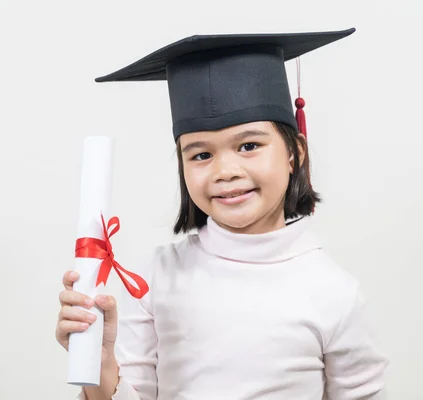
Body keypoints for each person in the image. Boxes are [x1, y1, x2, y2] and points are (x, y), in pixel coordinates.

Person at [56, 27, 388, 400]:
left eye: (248, 145)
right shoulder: (157, 277)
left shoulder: (334, 293)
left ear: (295, 152)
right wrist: (100, 370)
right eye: (201, 154)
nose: (224, 170)